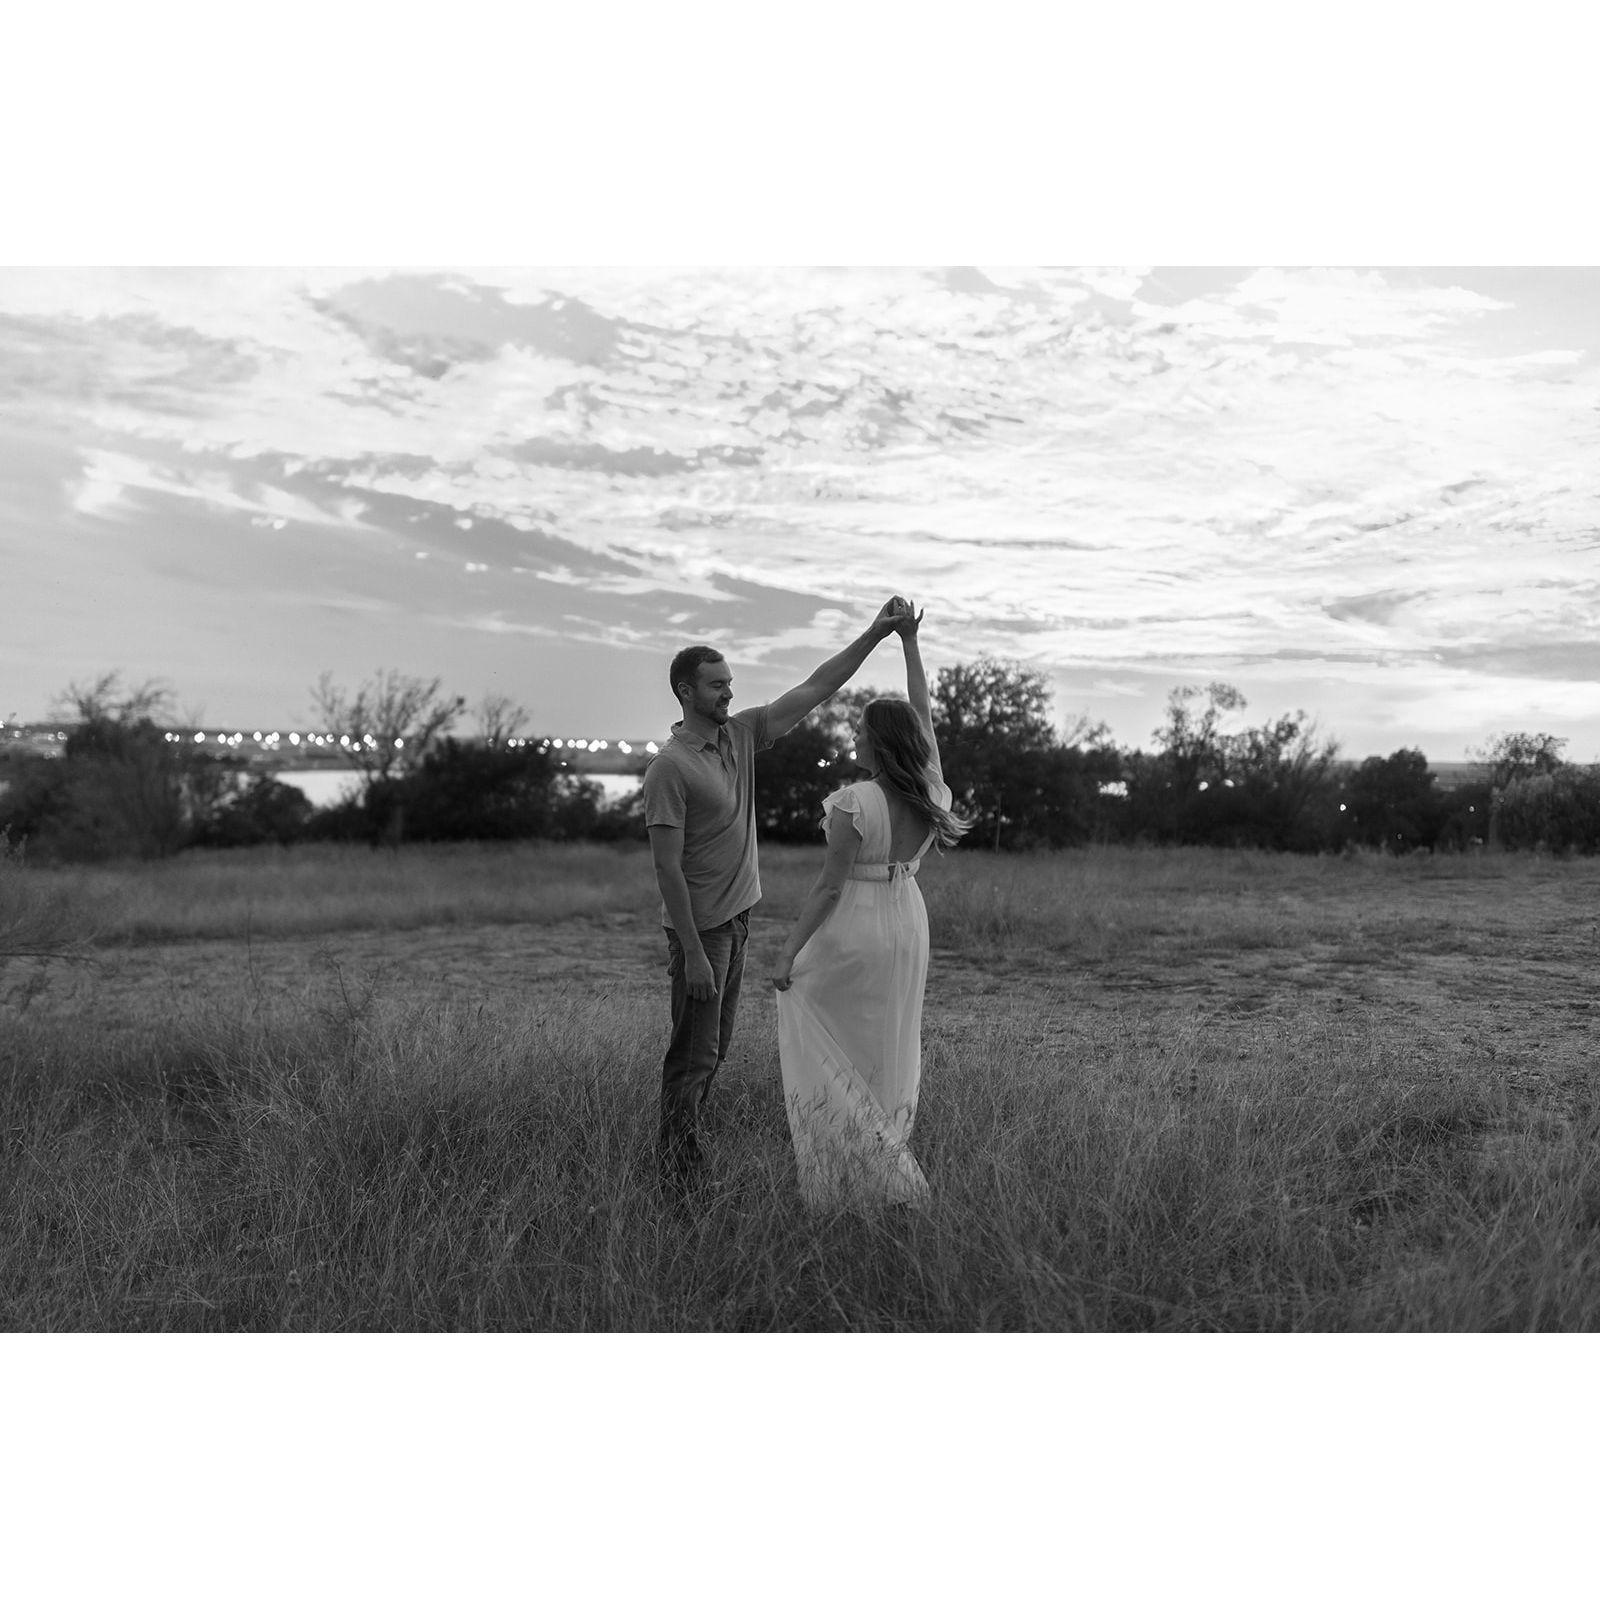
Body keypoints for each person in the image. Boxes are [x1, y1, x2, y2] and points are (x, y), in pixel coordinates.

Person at [643, 597, 908, 1195]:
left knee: (713, 1052)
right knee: (693, 1056)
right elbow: (666, 868)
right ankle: (676, 1181)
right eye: (716, 685)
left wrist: (876, 634)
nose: (728, 692)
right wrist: (693, 951)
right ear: (685, 692)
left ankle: (685, 1161)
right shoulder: (670, 769)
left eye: (729, 682)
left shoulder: (740, 734)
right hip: (702, 933)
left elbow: (816, 687)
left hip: (736, 922)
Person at [769, 602, 969, 1208]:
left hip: (855, 923)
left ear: (878, 742)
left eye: (860, 730)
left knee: (828, 1035)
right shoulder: (931, 790)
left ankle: (858, 1175)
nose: (853, 736)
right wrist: (909, 643)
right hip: (907, 920)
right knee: (891, 1040)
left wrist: (787, 952)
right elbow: (923, 715)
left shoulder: (853, 802)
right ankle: (884, 1156)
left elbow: (829, 888)